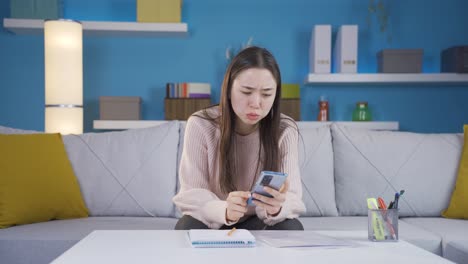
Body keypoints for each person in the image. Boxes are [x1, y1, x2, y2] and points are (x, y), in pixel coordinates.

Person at [173, 46, 305, 230]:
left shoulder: (285, 129)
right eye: (246, 92)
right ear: (228, 89)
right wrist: (225, 210)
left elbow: (292, 196)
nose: (256, 103)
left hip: (260, 221)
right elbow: (192, 194)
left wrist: (276, 208)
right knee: (186, 225)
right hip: (215, 218)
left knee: (291, 227)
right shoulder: (200, 125)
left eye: (266, 94)